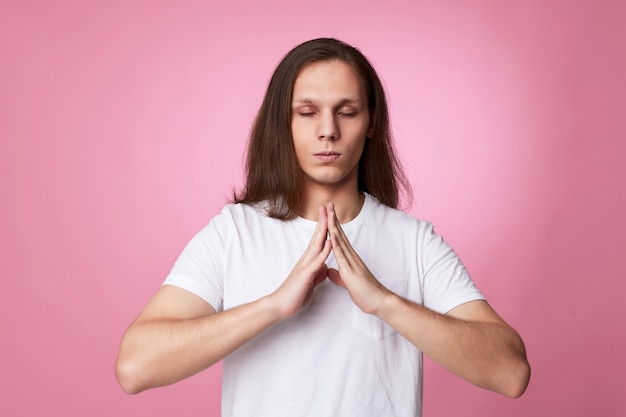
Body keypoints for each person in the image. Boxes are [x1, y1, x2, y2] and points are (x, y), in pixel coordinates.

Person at [116, 38, 530, 416]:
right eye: (308, 112)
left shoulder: (414, 242)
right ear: (285, 123)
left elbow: (511, 373)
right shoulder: (234, 233)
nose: (328, 130)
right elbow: (135, 367)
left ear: (371, 123)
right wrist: (273, 306)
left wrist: (384, 302)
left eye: (346, 112)